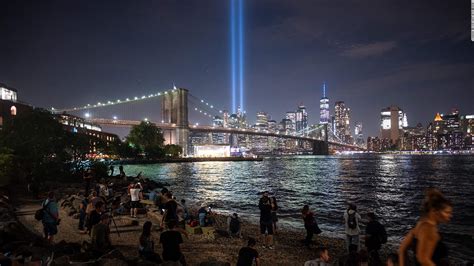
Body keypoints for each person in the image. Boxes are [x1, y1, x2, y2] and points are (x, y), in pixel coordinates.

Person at [398, 188, 452, 266]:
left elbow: (401, 250)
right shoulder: (430, 229)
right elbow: (423, 259)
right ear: (434, 211)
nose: (450, 216)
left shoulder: (419, 225)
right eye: (447, 212)